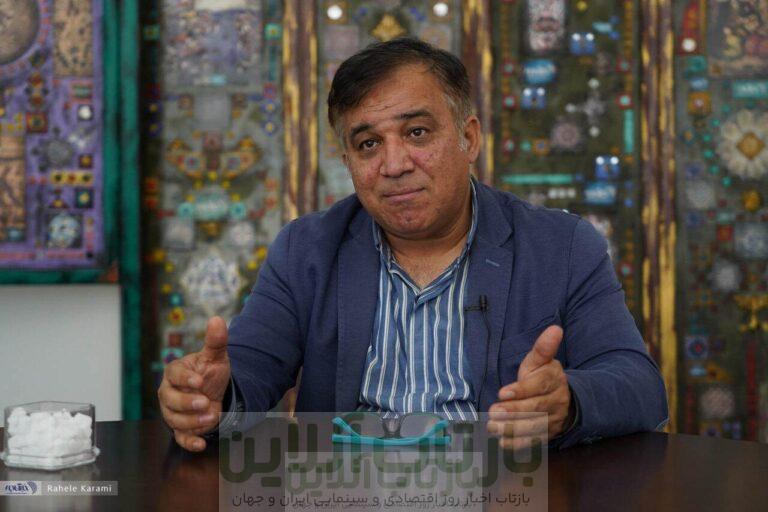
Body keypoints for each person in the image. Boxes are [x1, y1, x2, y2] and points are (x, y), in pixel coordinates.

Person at [158, 37, 668, 453]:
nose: (395, 164)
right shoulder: (307, 250)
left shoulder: (561, 246)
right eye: (368, 144)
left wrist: (567, 403)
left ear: (469, 138)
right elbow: (247, 370)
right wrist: (211, 399)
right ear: (349, 162)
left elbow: (639, 386)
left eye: (417, 132)